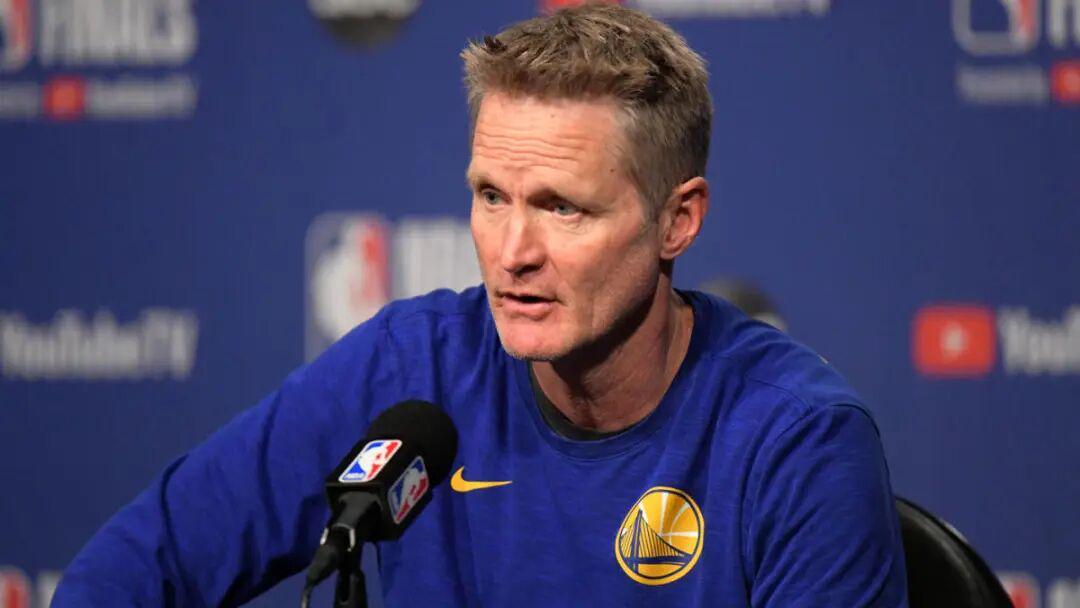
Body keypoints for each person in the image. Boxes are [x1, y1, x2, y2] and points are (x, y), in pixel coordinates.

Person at [54, 5, 908, 606]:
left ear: (676, 220)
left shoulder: (797, 439)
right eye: (492, 196)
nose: (512, 251)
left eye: (563, 208)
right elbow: (138, 566)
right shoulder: (412, 368)